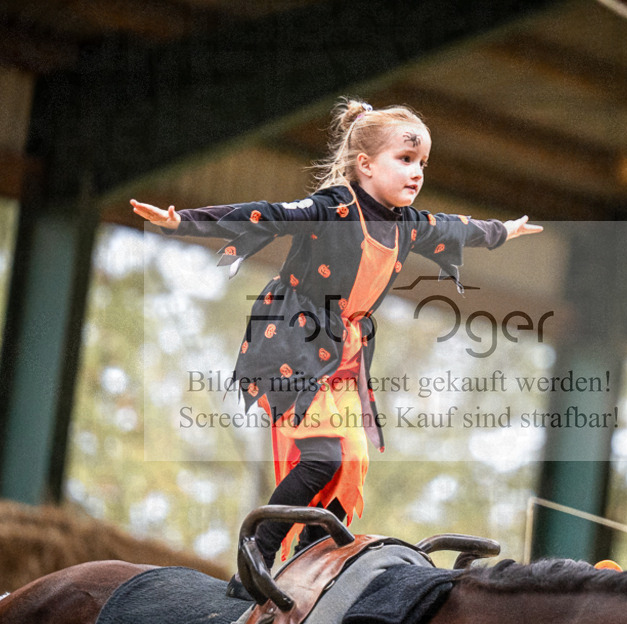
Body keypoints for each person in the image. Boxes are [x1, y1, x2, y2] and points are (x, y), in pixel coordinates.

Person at [131, 99, 541, 597]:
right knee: (322, 457)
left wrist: (503, 231)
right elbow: (267, 214)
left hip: (342, 352)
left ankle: (310, 555)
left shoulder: (407, 223)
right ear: (365, 165)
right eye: (405, 160)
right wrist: (184, 222)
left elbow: (456, 227)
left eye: (422, 165)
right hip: (294, 338)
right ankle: (256, 556)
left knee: (349, 465)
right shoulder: (332, 208)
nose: (416, 174)